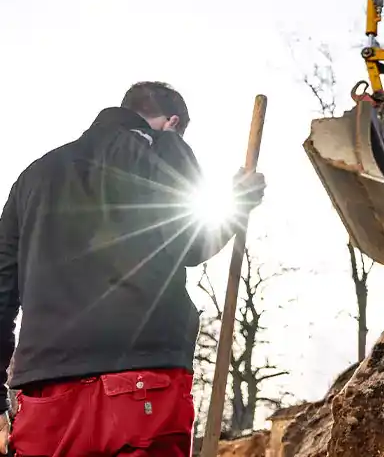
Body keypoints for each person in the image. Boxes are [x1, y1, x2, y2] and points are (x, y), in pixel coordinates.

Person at [0, 81, 266, 456]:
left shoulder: (33, 177)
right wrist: (236, 201)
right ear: (172, 122)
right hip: (143, 383)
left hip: (46, 396)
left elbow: (1, 293)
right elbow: (191, 244)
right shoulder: (158, 153)